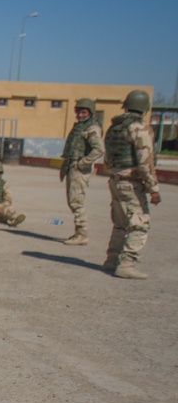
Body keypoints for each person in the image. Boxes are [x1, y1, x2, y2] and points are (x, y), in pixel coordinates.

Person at [102, 90, 161, 279]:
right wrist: (154, 189)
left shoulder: (114, 128)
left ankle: (111, 261)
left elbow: (107, 158)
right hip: (131, 183)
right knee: (139, 224)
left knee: (120, 224)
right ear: (144, 108)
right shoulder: (139, 129)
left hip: (115, 180)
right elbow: (145, 162)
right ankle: (126, 264)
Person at [58, 98, 104, 246]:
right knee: (73, 200)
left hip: (79, 168)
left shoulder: (91, 128)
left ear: (90, 113)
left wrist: (83, 163)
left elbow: (99, 149)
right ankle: (79, 232)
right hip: (73, 166)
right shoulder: (82, 127)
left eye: (83, 112)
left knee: (76, 200)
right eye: (78, 112)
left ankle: (82, 233)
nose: (80, 115)